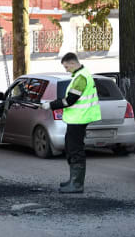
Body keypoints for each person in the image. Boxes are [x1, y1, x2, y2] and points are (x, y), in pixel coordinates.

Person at [40, 52, 101, 193]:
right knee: (70, 147)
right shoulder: (80, 75)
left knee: (75, 150)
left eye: (67, 67)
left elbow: (70, 100)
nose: (66, 70)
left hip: (80, 118)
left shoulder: (81, 78)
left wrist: (50, 105)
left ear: (73, 63)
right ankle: (73, 179)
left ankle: (77, 184)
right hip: (78, 118)